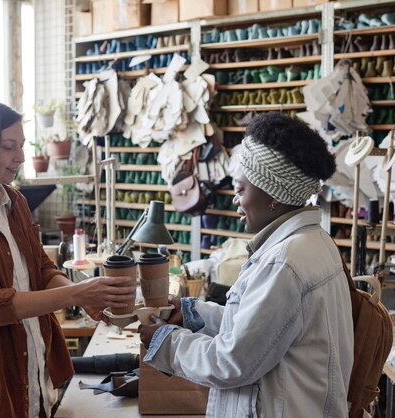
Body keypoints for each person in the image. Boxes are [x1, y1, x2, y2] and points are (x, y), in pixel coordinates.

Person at [0, 99, 135, 418]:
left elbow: (41, 268)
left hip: (33, 375)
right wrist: (76, 292)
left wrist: (86, 296)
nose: (20, 157)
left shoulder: (14, 202)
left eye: (21, 145)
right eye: (8, 147)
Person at [140, 112, 354, 417]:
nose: (235, 200)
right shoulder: (312, 243)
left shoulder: (284, 263)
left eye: (241, 190)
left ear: (273, 196)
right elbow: (262, 327)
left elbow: (232, 362)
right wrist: (193, 314)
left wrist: (166, 343)